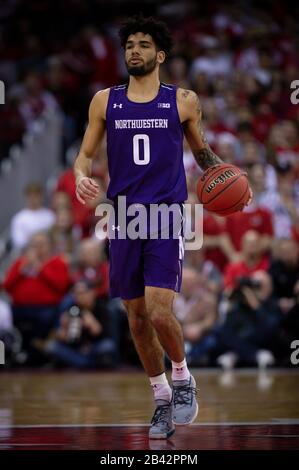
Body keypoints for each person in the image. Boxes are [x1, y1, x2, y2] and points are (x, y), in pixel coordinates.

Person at [73, 15, 250, 439]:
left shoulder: (183, 100)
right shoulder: (104, 101)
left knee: (158, 309)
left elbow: (203, 154)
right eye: (129, 44)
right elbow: (85, 155)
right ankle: (162, 400)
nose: (135, 50)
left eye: (144, 44)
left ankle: (184, 377)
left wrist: (231, 182)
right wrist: (82, 174)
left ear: (160, 54)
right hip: (123, 217)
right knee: (135, 319)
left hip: (166, 215)